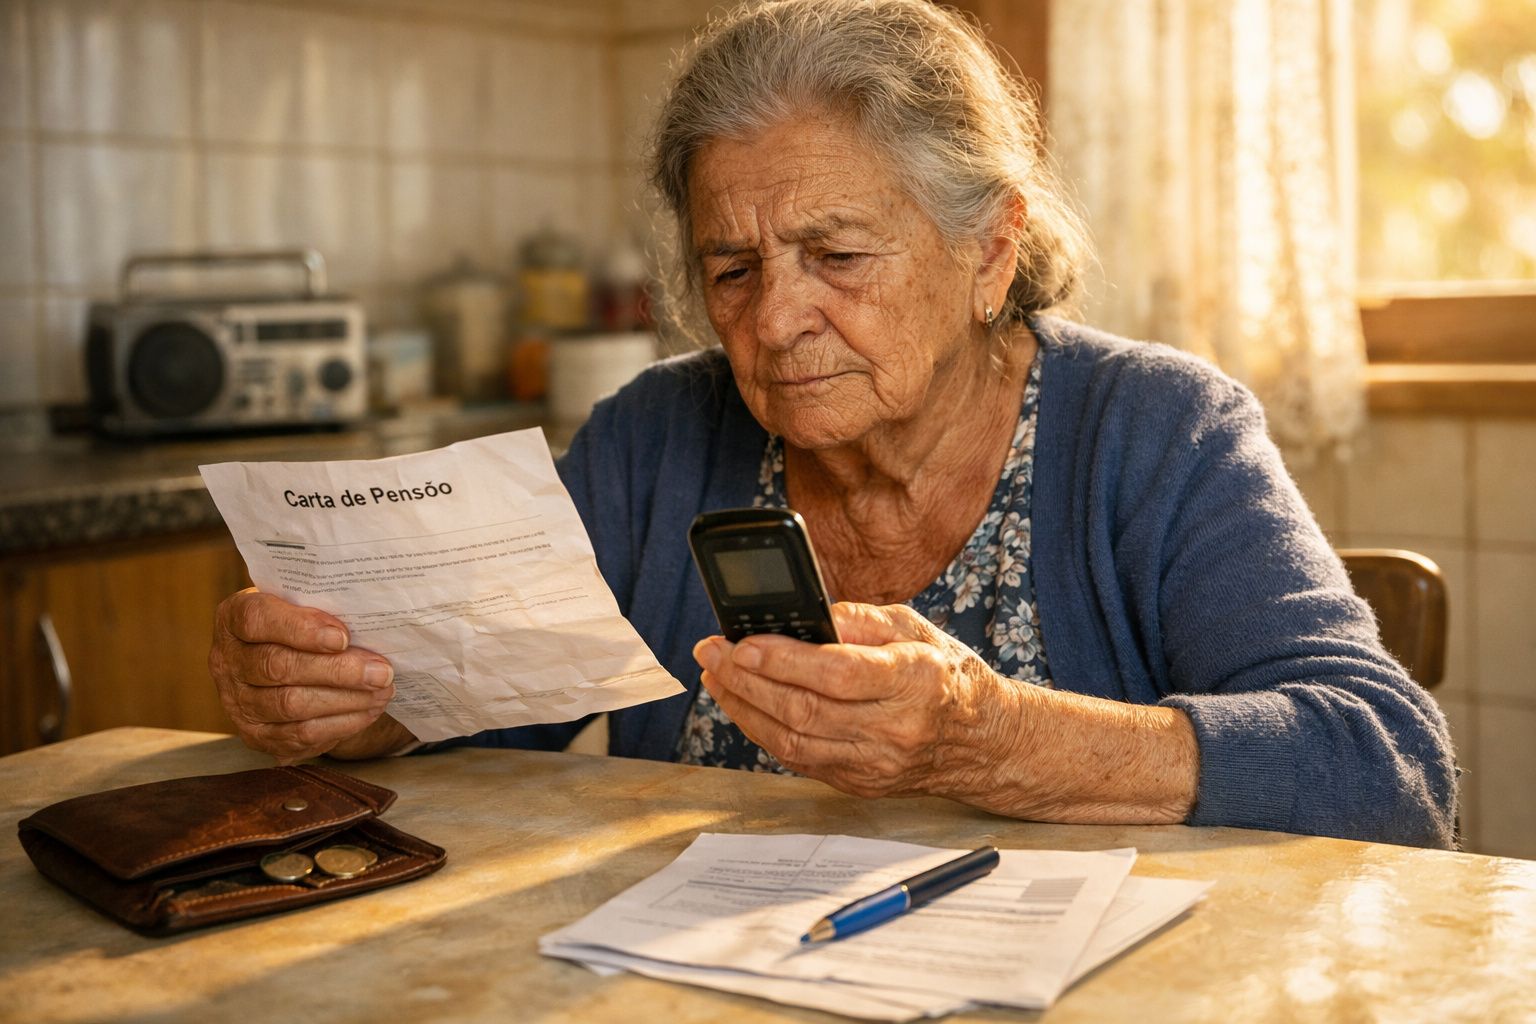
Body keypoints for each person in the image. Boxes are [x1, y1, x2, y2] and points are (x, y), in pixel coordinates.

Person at [208, 0, 1456, 848]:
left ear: (989, 248)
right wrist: (343, 697)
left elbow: (1392, 770)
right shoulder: (652, 440)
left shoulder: (1160, 433)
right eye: (733, 268)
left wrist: (990, 735)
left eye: (836, 253)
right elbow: (481, 707)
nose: (778, 318)